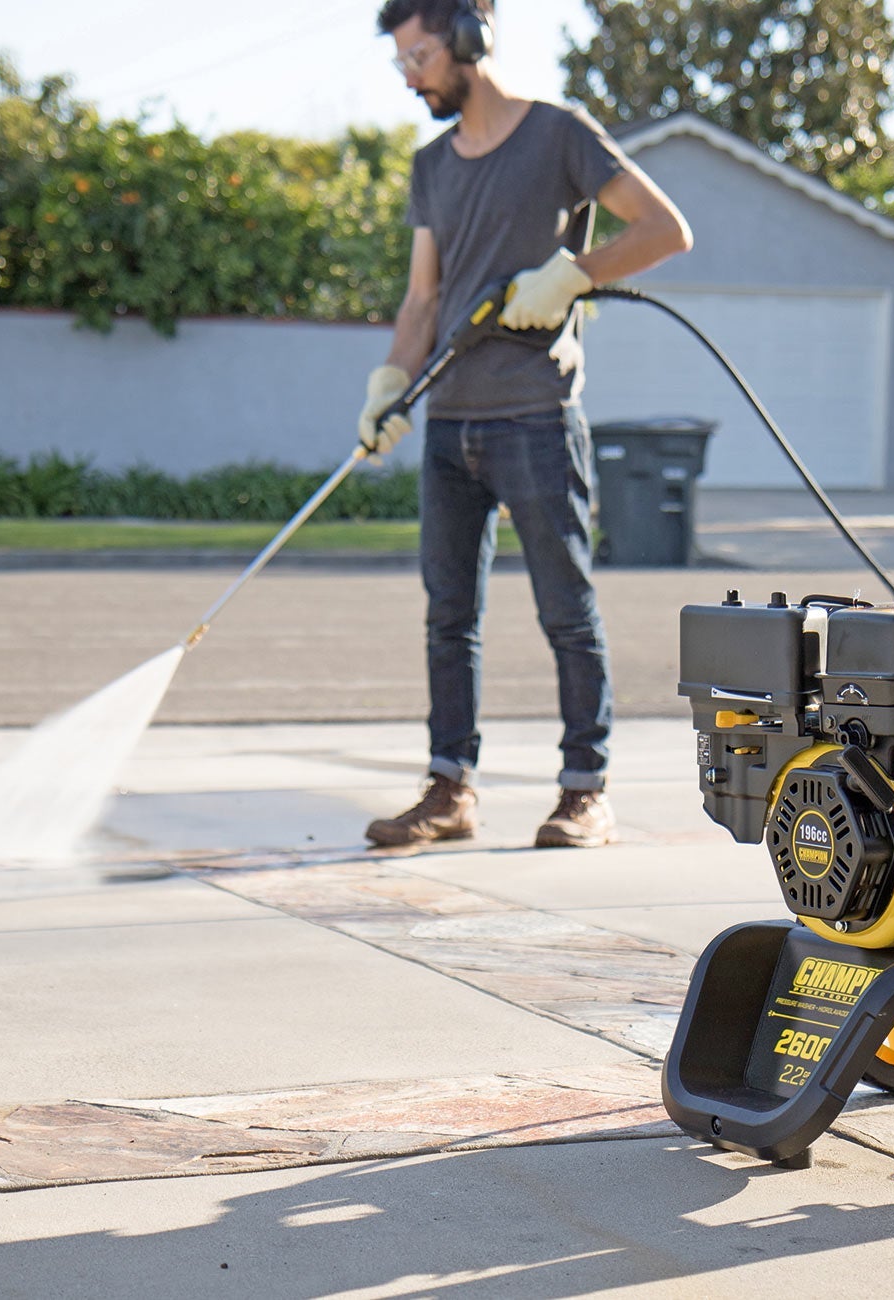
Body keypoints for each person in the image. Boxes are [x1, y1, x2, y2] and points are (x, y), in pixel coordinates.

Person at [358, 0, 692, 849]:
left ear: (469, 41)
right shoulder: (431, 164)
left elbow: (665, 230)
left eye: (419, 55)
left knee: (565, 611)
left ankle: (586, 793)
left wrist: (573, 275)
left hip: (537, 416)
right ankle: (449, 791)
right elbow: (424, 295)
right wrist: (391, 384)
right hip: (450, 426)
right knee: (448, 617)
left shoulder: (558, 136)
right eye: (400, 61)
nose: (409, 76)